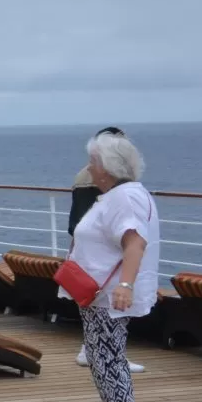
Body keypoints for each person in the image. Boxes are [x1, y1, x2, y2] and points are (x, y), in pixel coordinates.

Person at [66, 131, 160, 402]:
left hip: (108, 295)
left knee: (109, 359)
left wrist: (125, 285)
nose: (88, 168)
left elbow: (135, 243)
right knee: (98, 357)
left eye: (92, 162)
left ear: (107, 168)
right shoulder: (116, 195)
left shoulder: (125, 198)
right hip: (96, 294)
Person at [70, 127, 145, 374]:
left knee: (102, 350)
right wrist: (126, 284)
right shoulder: (114, 190)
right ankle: (104, 355)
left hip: (86, 255)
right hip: (101, 265)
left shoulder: (84, 178)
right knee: (108, 353)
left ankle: (97, 353)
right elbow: (132, 239)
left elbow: (76, 224)